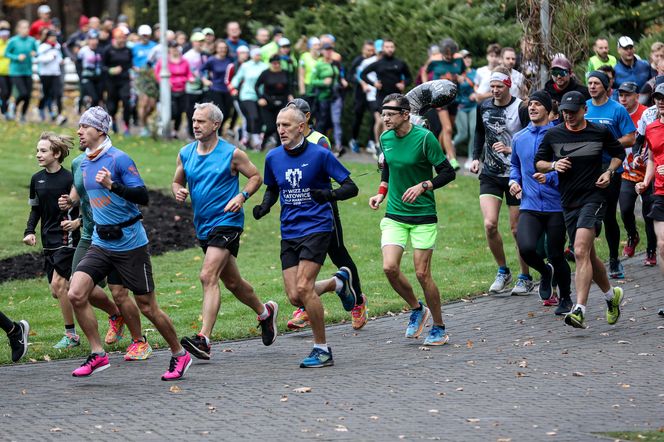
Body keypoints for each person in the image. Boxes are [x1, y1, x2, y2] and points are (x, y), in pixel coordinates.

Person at [67, 107, 192, 380]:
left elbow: (143, 196)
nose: (79, 131)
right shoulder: (85, 163)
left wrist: (113, 185)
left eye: (84, 127)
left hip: (130, 243)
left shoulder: (119, 160)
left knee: (147, 306)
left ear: (99, 131)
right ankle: (98, 353)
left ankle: (179, 354)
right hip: (101, 241)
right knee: (75, 293)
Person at [252, 106, 359, 368]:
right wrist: (265, 206)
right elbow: (273, 187)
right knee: (295, 296)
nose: (281, 130)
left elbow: (351, 187)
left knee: (304, 287)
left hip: (317, 227)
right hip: (289, 231)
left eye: (286, 125)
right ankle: (338, 283)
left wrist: (328, 195)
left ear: (301, 127)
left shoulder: (320, 155)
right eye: (278, 125)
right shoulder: (273, 157)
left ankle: (322, 349)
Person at [172, 102, 278, 359]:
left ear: (216, 125)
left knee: (208, 276)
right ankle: (265, 313)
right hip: (204, 226)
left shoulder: (232, 154)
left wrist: (241, 196)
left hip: (227, 222)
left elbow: (256, 177)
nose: (195, 125)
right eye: (194, 120)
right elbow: (177, 180)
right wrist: (178, 190)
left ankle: (204, 339)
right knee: (232, 282)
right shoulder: (186, 153)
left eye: (201, 121)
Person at [368, 93, 456, 344]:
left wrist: (424, 185)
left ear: (405, 115)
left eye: (390, 114)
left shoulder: (425, 138)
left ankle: (438, 326)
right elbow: (388, 168)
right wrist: (381, 193)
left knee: (422, 274)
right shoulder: (385, 138)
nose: (385, 119)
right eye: (383, 114)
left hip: (423, 215)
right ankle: (417, 308)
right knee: (389, 267)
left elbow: (448, 172)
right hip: (395, 213)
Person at [535, 91, 626, 329]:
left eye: (573, 112)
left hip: (594, 197)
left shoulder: (599, 132)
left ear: (584, 110)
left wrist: (609, 172)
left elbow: (619, 154)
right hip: (568, 201)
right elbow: (540, 162)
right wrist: (554, 165)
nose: (568, 116)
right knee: (589, 255)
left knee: (579, 250)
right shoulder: (554, 134)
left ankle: (579, 309)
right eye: (565, 112)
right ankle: (611, 296)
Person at [58, 138, 152, 361]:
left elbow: (132, 195)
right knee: (77, 288)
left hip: (116, 235)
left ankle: (139, 341)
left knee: (120, 292)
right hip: (91, 236)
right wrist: (70, 202)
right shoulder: (79, 163)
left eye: (84, 128)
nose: (80, 133)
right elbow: (79, 190)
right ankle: (115, 315)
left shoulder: (113, 161)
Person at [284, 99, 369, 331]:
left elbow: (320, 168)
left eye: (293, 116)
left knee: (339, 254)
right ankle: (306, 307)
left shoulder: (319, 140)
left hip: (322, 207)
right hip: (298, 212)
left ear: (306, 118)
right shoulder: (285, 141)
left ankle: (358, 301)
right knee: (304, 258)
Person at [509, 91, 573, 315]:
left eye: (537, 104)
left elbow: (568, 166)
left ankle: (565, 297)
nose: (532, 108)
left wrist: (551, 177)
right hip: (530, 205)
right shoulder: (519, 138)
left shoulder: (559, 135)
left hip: (556, 205)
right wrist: (513, 182)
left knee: (556, 253)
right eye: (530, 105)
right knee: (526, 248)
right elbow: (515, 165)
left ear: (548, 109)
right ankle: (545, 273)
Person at [470, 66, 532, 295]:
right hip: (491, 174)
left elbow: (529, 137)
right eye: (492, 86)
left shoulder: (521, 108)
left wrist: (510, 148)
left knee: (516, 230)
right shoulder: (483, 106)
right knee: (489, 224)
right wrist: (476, 157)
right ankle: (503, 270)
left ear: (508, 85)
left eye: (499, 86)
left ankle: (525, 276)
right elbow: (479, 132)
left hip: (515, 175)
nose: (495, 90)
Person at [23, 132, 84, 349]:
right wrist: (29, 231)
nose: (38, 154)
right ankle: (115, 313)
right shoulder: (36, 179)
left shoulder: (70, 179)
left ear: (56, 153)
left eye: (43, 150)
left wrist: (77, 222)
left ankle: (71, 335)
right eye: (37, 150)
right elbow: (35, 209)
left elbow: (87, 205)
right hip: (47, 240)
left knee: (60, 285)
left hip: (67, 238)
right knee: (58, 290)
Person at [585, 70, 636, 279]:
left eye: (597, 83)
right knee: (589, 212)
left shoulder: (617, 110)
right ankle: (584, 254)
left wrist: (608, 143)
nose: (592, 86)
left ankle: (614, 259)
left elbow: (631, 138)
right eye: (590, 83)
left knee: (607, 215)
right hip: (586, 167)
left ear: (606, 86)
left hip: (611, 166)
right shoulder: (584, 107)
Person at [617, 81, 655, 261]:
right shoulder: (618, 113)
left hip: (649, 169)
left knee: (648, 212)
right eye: (621, 95)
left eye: (627, 95)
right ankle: (633, 236)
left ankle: (651, 250)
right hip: (628, 170)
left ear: (637, 96)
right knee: (624, 209)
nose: (623, 99)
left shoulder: (647, 114)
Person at [635, 83, 664, 317]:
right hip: (660, 192)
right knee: (663, 246)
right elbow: (654, 158)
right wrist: (646, 180)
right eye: (658, 98)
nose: (661, 101)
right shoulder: (652, 128)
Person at [422, 38, 464, 169]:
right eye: (446, 54)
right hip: (439, 97)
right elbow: (424, 70)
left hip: (454, 97)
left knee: (447, 130)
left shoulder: (459, 59)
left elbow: (462, 72)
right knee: (448, 129)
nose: (449, 56)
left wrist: (460, 77)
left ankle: (436, 157)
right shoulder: (434, 60)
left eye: (451, 54)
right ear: (441, 52)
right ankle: (451, 158)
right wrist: (426, 86)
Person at [311, 43, 346, 154]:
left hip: (335, 96)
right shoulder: (318, 65)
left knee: (336, 121)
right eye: (326, 50)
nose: (328, 52)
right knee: (322, 121)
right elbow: (312, 81)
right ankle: (318, 145)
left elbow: (340, 75)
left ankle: (338, 145)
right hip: (323, 97)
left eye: (330, 50)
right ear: (322, 51)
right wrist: (323, 82)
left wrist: (342, 81)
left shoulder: (335, 63)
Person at [231, 47, 267, 150]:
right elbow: (237, 78)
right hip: (247, 95)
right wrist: (233, 87)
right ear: (252, 55)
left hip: (260, 96)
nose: (258, 56)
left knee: (260, 118)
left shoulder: (264, 66)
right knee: (253, 116)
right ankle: (253, 139)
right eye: (256, 54)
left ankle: (249, 138)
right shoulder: (246, 66)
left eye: (259, 54)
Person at [255, 54, 293, 149]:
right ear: (271, 64)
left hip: (282, 101)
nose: (276, 65)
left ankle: (279, 147)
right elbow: (256, 86)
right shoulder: (265, 73)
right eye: (274, 63)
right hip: (268, 102)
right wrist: (260, 98)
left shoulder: (285, 72)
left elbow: (290, 86)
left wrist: (290, 95)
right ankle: (262, 143)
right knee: (270, 126)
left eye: (278, 63)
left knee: (281, 126)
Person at [360, 39, 412, 109]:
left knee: (395, 118)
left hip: (396, 96)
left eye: (392, 47)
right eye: (387, 47)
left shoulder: (400, 63)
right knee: (384, 118)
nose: (390, 49)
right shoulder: (377, 64)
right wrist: (374, 84)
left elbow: (409, 78)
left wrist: (404, 84)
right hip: (382, 97)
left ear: (395, 48)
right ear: (382, 48)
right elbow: (362, 74)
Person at [154, 41, 191, 138]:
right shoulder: (164, 61)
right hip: (170, 90)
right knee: (172, 111)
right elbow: (158, 74)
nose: (175, 50)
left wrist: (190, 79)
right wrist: (165, 83)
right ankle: (165, 127)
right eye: (172, 48)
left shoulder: (184, 61)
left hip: (182, 89)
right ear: (169, 50)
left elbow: (188, 73)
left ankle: (175, 130)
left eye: (176, 48)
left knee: (180, 111)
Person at [102, 26, 133, 135]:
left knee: (126, 101)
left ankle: (126, 126)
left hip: (124, 80)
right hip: (111, 81)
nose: (122, 40)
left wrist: (132, 71)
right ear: (115, 38)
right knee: (112, 104)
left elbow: (130, 64)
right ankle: (113, 122)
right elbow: (102, 66)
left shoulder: (128, 50)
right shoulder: (108, 50)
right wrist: (111, 70)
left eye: (124, 38)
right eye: (120, 38)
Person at [5, 20, 37, 122]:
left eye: (27, 27)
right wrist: (17, 57)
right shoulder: (13, 41)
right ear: (18, 29)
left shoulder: (32, 40)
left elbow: (36, 52)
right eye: (23, 28)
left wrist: (34, 53)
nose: (25, 30)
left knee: (28, 96)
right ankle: (13, 106)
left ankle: (22, 116)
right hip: (15, 72)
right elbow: (6, 54)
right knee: (23, 93)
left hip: (28, 71)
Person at [347, 40, 375, 153]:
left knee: (375, 116)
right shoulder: (358, 61)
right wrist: (361, 83)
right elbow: (350, 76)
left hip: (372, 94)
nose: (371, 52)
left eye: (372, 50)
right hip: (360, 94)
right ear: (363, 50)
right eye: (368, 50)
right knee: (358, 117)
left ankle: (371, 141)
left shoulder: (375, 60)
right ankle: (353, 139)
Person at [201, 39, 233, 129]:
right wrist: (204, 79)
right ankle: (217, 131)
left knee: (228, 113)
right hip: (216, 89)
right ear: (216, 49)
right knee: (221, 112)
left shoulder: (229, 59)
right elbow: (201, 69)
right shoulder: (212, 60)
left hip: (228, 89)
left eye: (224, 48)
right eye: (220, 48)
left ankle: (218, 130)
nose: (223, 50)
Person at [132, 25, 158, 137]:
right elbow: (130, 61)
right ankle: (143, 127)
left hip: (151, 77)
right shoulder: (134, 48)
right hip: (140, 77)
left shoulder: (155, 47)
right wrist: (135, 68)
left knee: (151, 104)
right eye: (143, 35)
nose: (145, 37)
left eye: (146, 35)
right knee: (143, 102)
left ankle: (147, 120)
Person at [453, 49, 478, 166]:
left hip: (473, 106)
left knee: (473, 131)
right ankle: (449, 148)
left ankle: (471, 158)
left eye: (469, 57)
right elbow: (451, 93)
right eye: (464, 57)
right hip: (461, 107)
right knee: (463, 134)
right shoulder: (455, 74)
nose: (467, 59)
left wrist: (476, 94)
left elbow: (480, 88)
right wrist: (456, 82)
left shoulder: (475, 73)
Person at [36, 30, 66, 125]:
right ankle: (40, 108)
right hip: (45, 74)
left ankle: (60, 116)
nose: (54, 38)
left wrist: (61, 60)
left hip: (56, 73)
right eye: (52, 37)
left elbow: (59, 56)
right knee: (46, 94)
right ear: (47, 37)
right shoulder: (42, 47)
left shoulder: (57, 46)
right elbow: (39, 59)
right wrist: (50, 58)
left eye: (55, 37)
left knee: (58, 94)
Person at [183, 32, 208, 139]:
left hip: (204, 87)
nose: (201, 43)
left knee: (203, 111)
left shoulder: (205, 54)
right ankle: (190, 132)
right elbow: (187, 71)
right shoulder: (188, 56)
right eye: (199, 41)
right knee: (191, 111)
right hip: (191, 88)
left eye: (202, 41)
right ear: (193, 42)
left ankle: (201, 132)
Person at [78, 30, 104, 109]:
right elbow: (78, 64)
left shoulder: (101, 50)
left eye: (95, 39)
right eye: (91, 39)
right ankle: (86, 111)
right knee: (94, 97)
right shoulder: (83, 50)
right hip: (87, 76)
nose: (93, 41)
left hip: (98, 77)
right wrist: (80, 76)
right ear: (88, 40)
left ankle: (92, 115)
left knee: (98, 99)